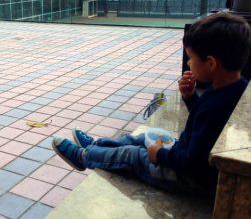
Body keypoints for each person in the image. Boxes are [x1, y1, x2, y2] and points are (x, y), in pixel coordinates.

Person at [52, 13, 251, 194]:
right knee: (146, 136)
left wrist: (160, 155)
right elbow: (203, 122)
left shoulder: (217, 105)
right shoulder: (232, 87)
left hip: (187, 177)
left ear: (211, 63)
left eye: (191, 58)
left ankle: (84, 157)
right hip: (187, 154)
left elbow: (192, 162)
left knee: (133, 154)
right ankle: (98, 145)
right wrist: (190, 97)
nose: (188, 64)